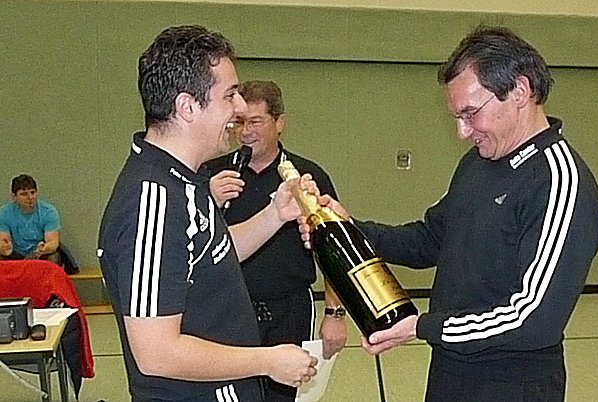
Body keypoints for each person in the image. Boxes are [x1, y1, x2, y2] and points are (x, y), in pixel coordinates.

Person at [309, 26, 598, 401]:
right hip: (451, 371)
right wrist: (346, 228)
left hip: (512, 386)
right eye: (456, 116)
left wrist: (423, 327)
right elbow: (430, 240)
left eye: (470, 113)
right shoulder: (478, 162)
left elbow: (534, 319)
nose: (463, 132)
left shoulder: (560, 183)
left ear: (520, 91)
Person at [97, 25, 318, 402]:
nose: (241, 108)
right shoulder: (152, 201)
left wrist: (275, 214)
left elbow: (208, 254)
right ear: (187, 107)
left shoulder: (186, 180)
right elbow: (156, 353)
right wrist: (266, 361)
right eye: (230, 95)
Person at [203, 80, 347, 402]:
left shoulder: (307, 177)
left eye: (255, 122)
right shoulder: (212, 174)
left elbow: (333, 253)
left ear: (279, 123)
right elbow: (192, 244)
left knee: (283, 396)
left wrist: (335, 315)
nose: (245, 132)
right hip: (228, 310)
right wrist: (208, 198)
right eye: (240, 122)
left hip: (289, 310)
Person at [0, 174, 61, 264]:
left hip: (39, 253)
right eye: (24, 194)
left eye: (33, 192)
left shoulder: (48, 212)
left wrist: (44, 248)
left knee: (53, 257)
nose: (30, 197)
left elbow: (53, 242)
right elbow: (4, 239)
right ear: (14, 196)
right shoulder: (4, 213)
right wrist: (5, 248)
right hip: (15, 253)